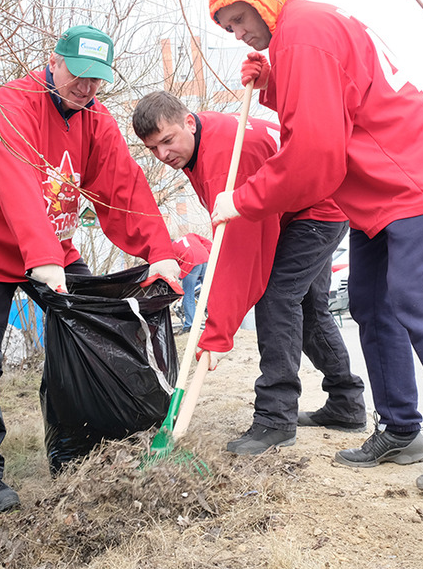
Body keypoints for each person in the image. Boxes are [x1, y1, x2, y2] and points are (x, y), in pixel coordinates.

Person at [207, 0, 423, 493]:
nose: (240, 34)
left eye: (238, 19)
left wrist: (242, 200)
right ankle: (401, 429)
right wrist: (271, 83)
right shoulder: (301, 34)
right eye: (229, 30)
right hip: (373, 191)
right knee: (368, 303)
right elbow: (328, 104)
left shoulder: (302, 33)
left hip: (407, 176)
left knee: (419, 303)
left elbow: (313, 152)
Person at [0, 25, 180, 513]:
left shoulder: (96, 119)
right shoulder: (13, 104)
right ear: (55, 61)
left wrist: (161, 250)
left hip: (52, 246)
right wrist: (44, 258)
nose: (87, 88)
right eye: (79, 75)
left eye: (98, 80)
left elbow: (125, 189)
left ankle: (80, 445)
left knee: (91, 330)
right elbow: (17, 186)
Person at [132, 91, 368, 455]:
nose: (163, 154)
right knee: (308, 309)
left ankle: (275, 419)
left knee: (277, 297)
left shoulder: (226, 157)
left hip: (319, 208)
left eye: (167, 140)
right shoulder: (201, 145)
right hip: (300, 207)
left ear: (189, 122)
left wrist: (218, 332)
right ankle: (347, 403)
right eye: (153, 148)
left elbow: (242, 252)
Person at [170, 232, 211, 333]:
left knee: (188, 294)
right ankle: (216, 322)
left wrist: (177, 279)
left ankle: (190, 324)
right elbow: (209, 243)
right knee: (209, 292)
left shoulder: (170, 248)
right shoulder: (191, 235)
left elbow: (173, 267)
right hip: (205, 258)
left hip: (190, 262)